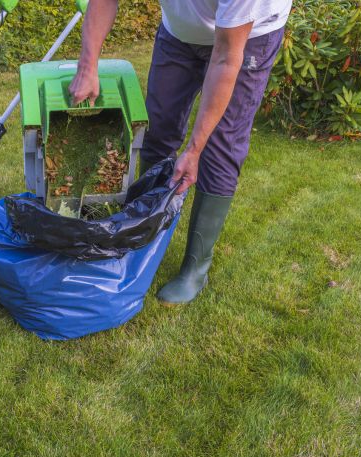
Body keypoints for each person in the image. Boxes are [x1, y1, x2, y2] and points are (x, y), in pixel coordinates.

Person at [69, 0, 291, 304]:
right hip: (180, 33)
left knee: (219, 146)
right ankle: (144, 238)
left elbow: (226, 58)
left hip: (249, 37)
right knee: (158, 131)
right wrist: (87, 65)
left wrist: (194, 149)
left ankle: (195, 268)